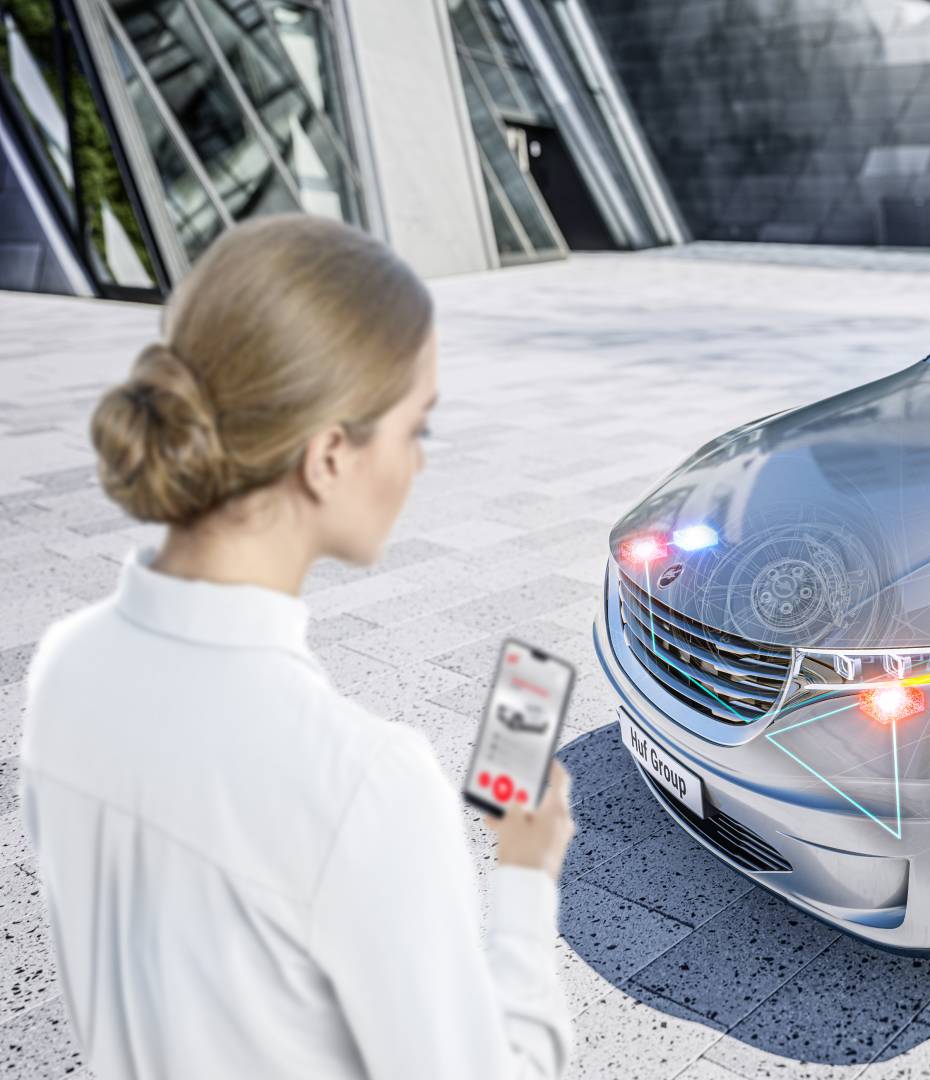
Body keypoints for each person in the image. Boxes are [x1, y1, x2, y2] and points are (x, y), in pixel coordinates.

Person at [20, 216, 576, 1078]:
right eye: (415, 428)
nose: (420, 465)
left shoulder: (65, 669)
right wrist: (526, 879)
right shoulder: (364, 783)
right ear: (326, 456)